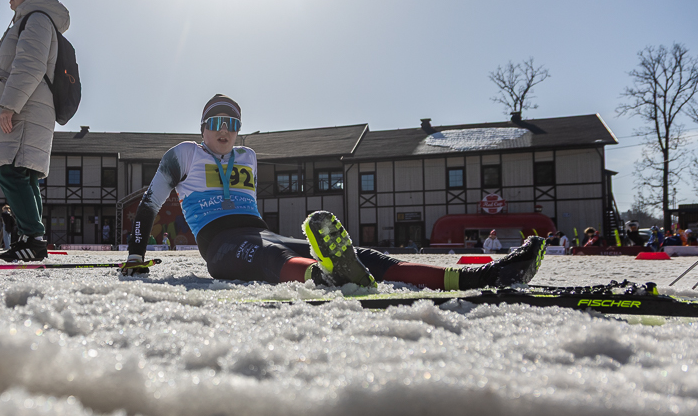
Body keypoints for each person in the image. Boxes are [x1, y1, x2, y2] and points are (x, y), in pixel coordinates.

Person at [120, 94, 545, 290]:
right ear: (202, 128)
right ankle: (326, 274)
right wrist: (136, 256)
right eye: (216, 123)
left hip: (261, 230)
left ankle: (482, 276)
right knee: (274, 259)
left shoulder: (248, 156)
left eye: (232, 123)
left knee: (366, 256)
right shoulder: (184, 154)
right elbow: (149, 204)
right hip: (221, 244)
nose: (224, 130)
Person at [0, 0, 70, 262]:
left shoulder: (36, 18)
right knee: (24, 174)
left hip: (24, 109)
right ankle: (30, 239)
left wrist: (10, 105)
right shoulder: (33, 18)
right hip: (30, 106)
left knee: (11, 171)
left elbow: (30, 64)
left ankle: (33, 239)